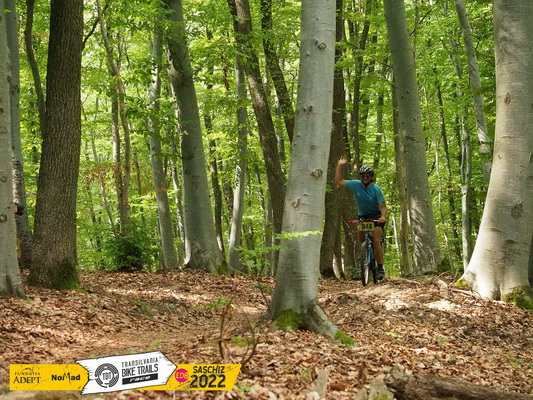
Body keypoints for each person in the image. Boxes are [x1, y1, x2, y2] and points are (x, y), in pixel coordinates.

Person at [334, 155, 387, 281]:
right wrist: (339, 165)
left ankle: (380, 269)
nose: (365, 178)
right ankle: (365, 252)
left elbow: (383, 206)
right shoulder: (356, 185)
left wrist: (383, 217)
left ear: (371, 177)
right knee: (360, 235)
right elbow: (338, 181)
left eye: (367, 176)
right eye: (363, 176)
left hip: (376, 216)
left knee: (376, 239)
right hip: (363, 216)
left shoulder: (376, 189)